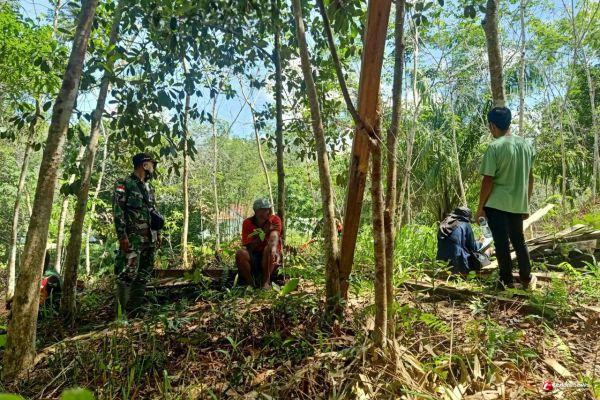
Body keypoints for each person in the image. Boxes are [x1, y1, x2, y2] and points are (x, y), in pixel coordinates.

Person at [476, 107, 535, 290]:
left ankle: (506, 281)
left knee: (501, 243)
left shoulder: (495, 147)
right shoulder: (526, 146)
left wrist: (480, 208)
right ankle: (526, 278)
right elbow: (530, 178)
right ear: (509, 123)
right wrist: (525, 204)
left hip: (497, 204)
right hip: (517, 204)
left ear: (492, 126)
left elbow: (488, 180)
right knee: (519, 240)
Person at [113, 152, 163, 315]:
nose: (153, 167)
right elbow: (118, 211)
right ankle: (121, 315)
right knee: (128, 274)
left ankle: (135, 310)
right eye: (152, 164)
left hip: (149, 238)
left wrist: (158, 233)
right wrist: (122, 236)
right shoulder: (124, 183)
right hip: (133, 238)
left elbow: (153, 212)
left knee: (144, 274)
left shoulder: (149, 188)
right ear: (144, 165)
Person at [236, 198, 282, 288]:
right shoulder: (247, 223)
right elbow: (249, 246)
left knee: (268, 249)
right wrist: (264, 231)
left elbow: (274, 234)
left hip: (271, 256)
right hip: (254, 255)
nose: (268, 212)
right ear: (257, 212)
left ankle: (266, 282)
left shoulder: (274, 219)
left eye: (268, 209)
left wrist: (273, 248)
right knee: (240, 253)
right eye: (265, 210)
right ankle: (251, 284)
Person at [436, 207, 483, 274]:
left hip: (441, 264)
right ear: (467, 217)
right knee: (488, 250)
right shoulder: (465, 224)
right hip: (459, 265)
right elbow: (473, 248)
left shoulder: (444, 223)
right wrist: (480, 243)